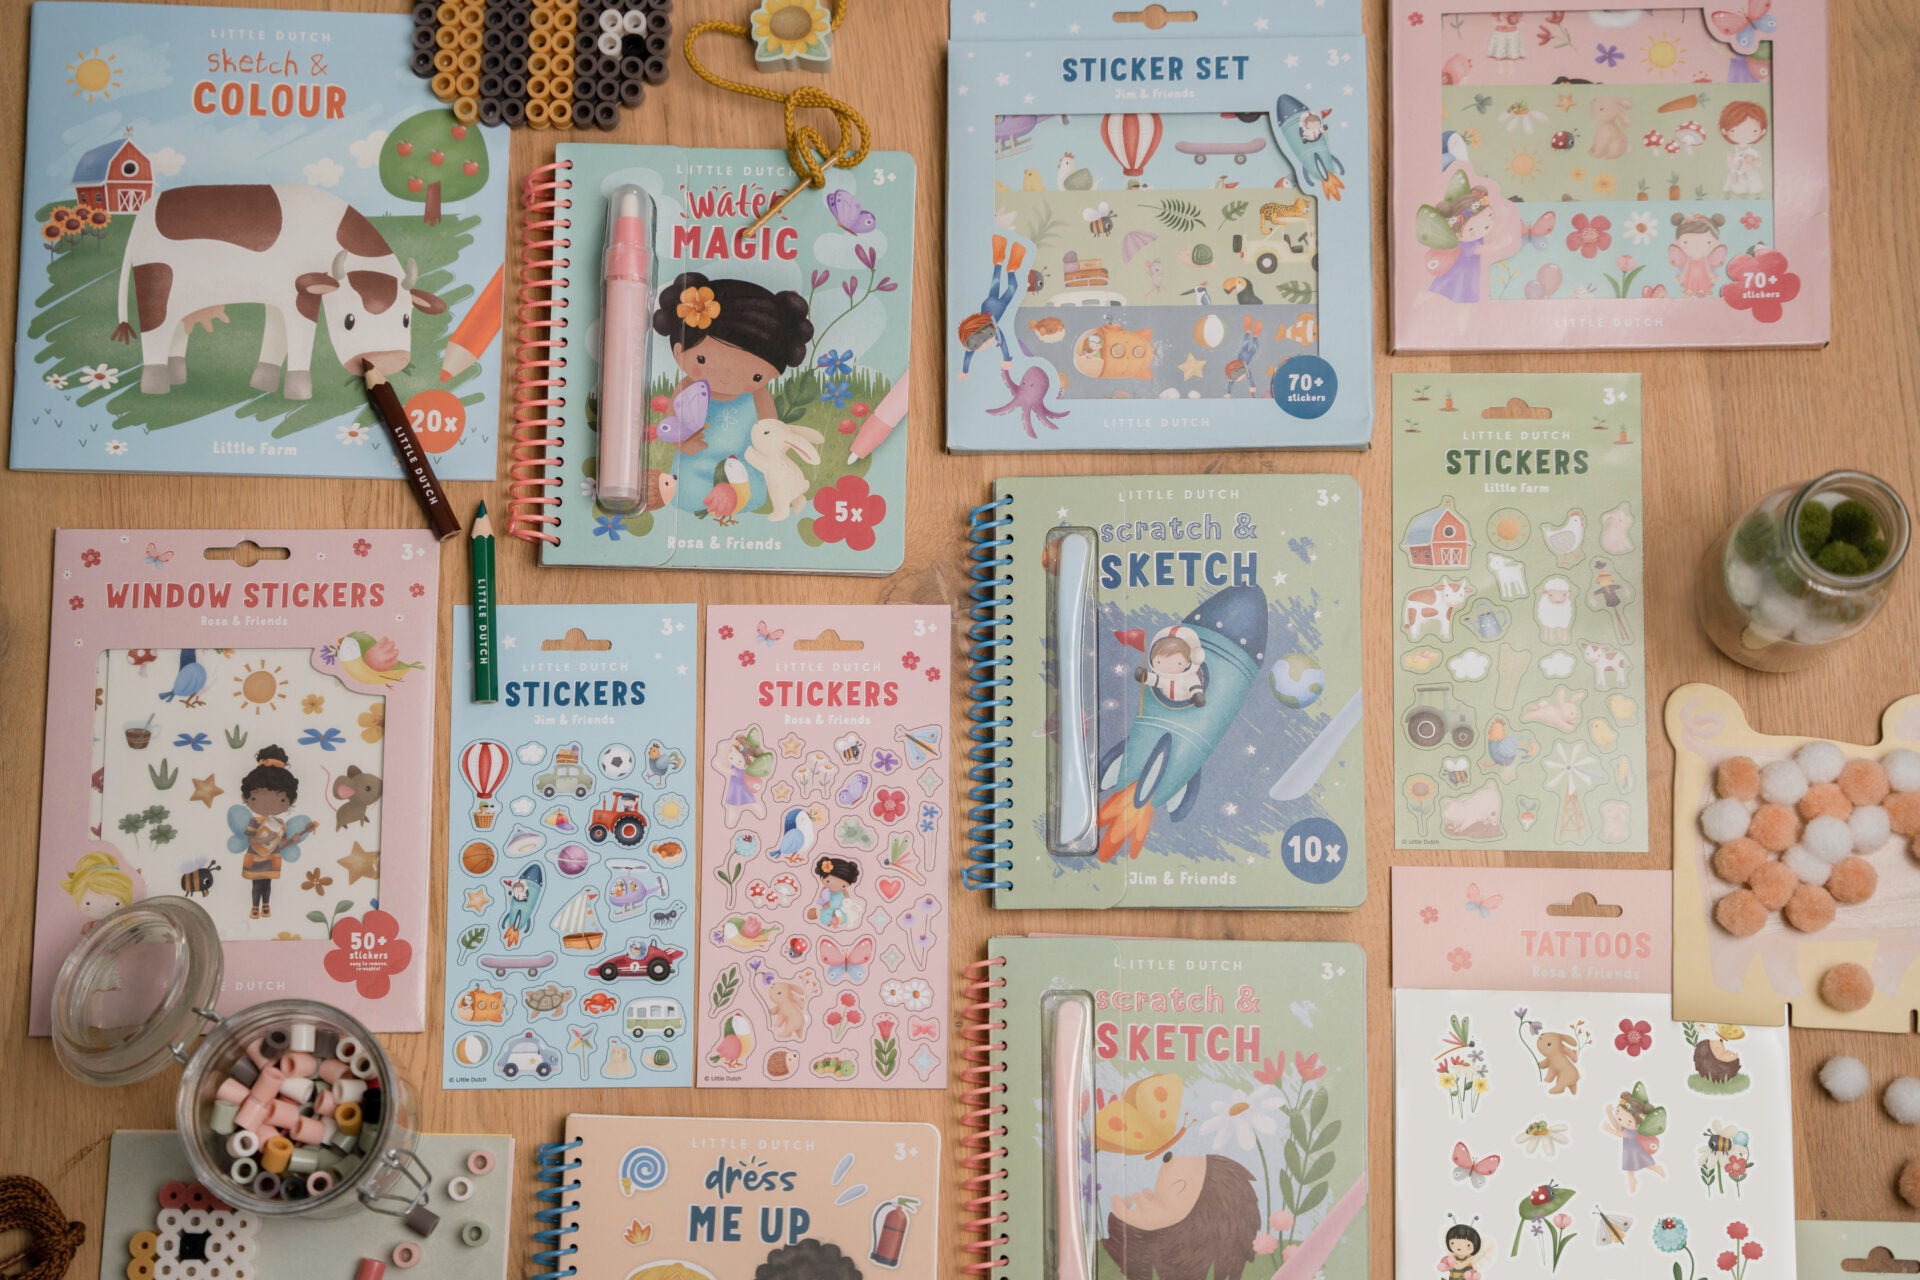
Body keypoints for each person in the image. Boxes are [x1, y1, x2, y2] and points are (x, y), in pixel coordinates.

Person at [651, 273, 813, 519]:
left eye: (755, 375)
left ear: (772, 373)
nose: (726, 378)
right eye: (702, 359)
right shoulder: (688, 388)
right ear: (679, 351)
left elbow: (772, 429)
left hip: (744, 467)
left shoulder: (758, 396)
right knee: (690, 493)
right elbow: (672, 423)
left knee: (750, 496)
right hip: (696, 464)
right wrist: (684, 441)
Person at [237, 746, 310, 919]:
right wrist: (265, 839)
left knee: (267, 885)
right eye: (255, 797)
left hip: (271, 861)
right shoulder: (255, 822)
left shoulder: (280, 824)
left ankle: (266, 904)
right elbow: (251, 841)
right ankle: (255, 906)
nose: (269, 804)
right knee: (256, 885)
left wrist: (293, 840)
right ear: (246, 797)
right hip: (255, 861)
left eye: (281, 799)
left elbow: (280, 844)